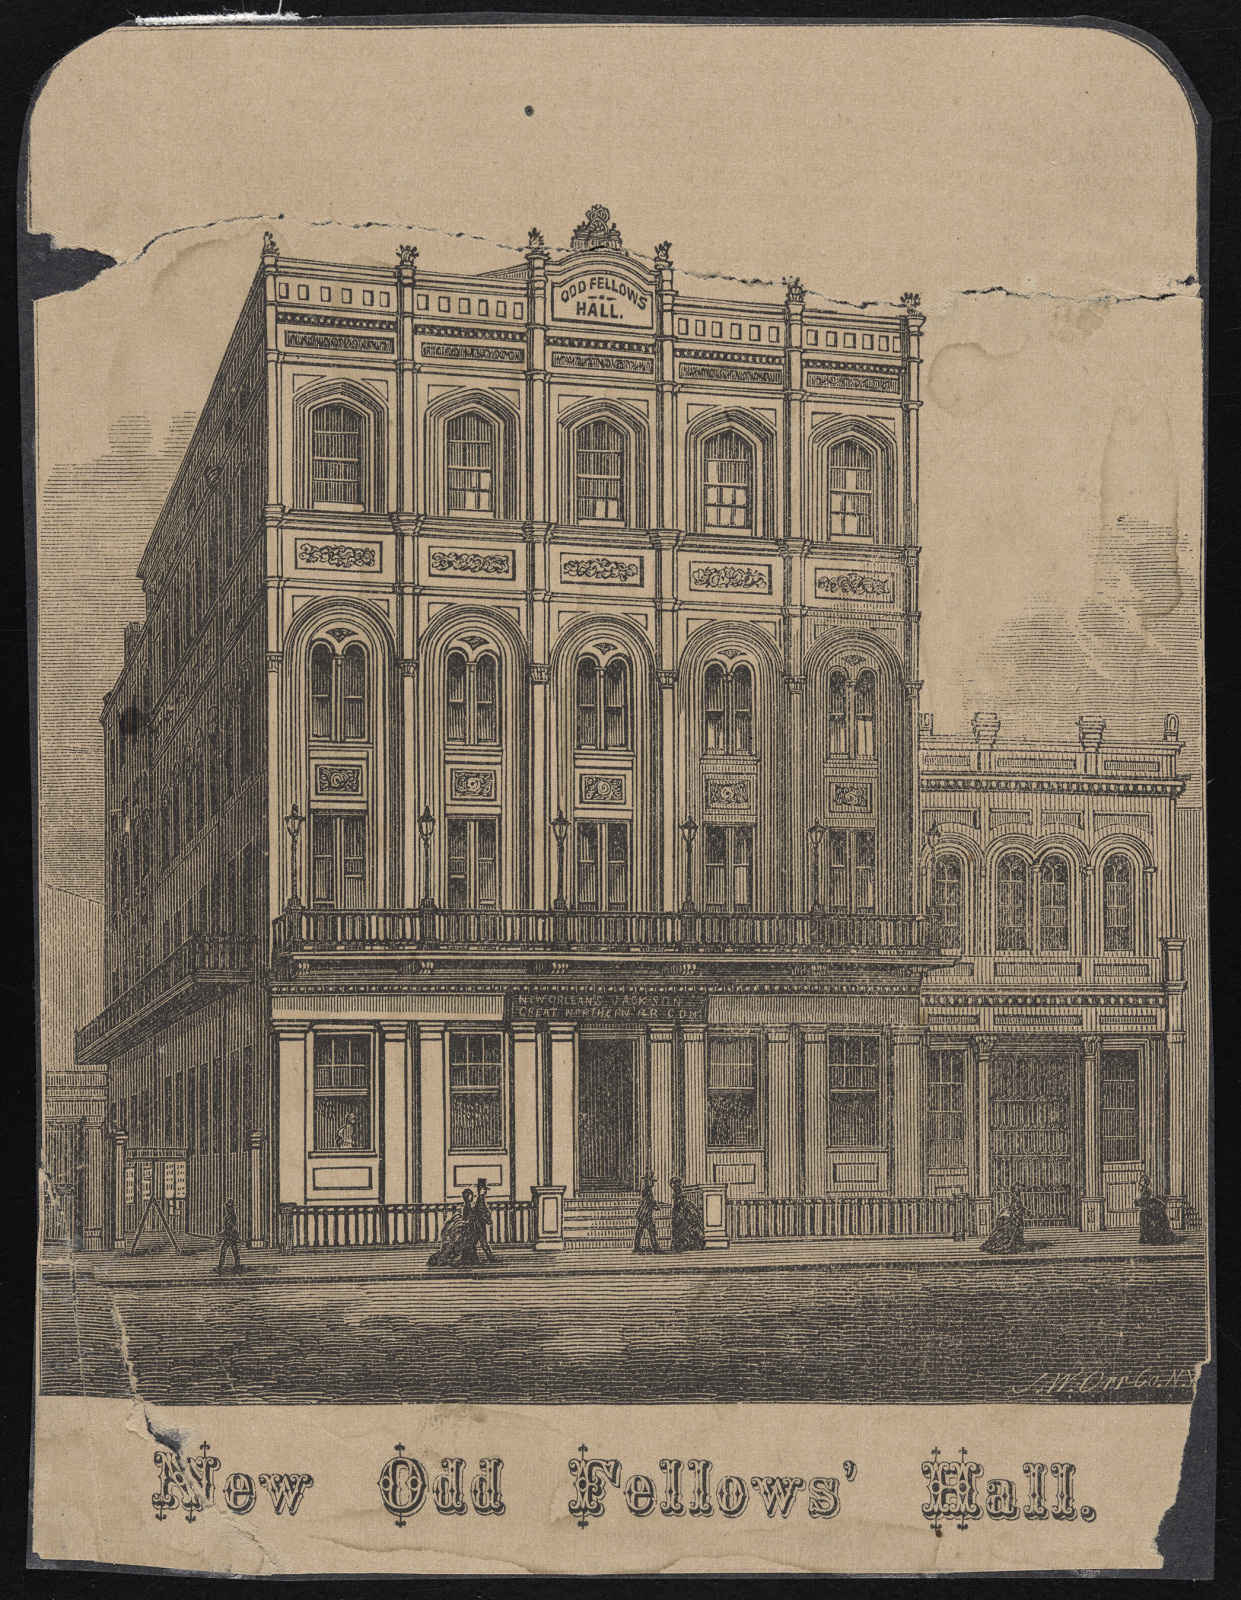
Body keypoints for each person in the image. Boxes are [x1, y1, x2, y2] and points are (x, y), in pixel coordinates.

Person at [427, 1189, 479, 1267]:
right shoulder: (466, 1206)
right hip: (467, 1228)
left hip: (470, 1227)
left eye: (471, 1195)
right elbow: (465, 1218)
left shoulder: (468, 1205)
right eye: (469, 1196)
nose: (471, 1197)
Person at [979, 1189, 1035, 1255]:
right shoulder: (1016, 1198)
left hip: (1008, 1215)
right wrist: (1028, 1213)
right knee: (1013, 1229)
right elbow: (1018, 1207)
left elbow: (1017, 1207)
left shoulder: (1013, 1197)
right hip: (1011, 1216)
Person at [1135, 1172, 1177, 1245]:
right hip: (1145, 1208)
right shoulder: (1140, 1190)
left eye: (1145, 1181)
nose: (1143, 1182)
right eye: (1142, 1181)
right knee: (1145, 1221)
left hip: (1147, 1207)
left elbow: (1147, 1199)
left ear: (1147, 1182)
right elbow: (1139, 1200)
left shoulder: (1147, 1189)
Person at [669, 1177, 706, 1252]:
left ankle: (685, 1244)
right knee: (682, 1227)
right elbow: (679, 1202)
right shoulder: (677, 1192)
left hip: (681, 1211)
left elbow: (681, 1201)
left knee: (685, 1226)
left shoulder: (678, 1191)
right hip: (680, 1211)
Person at [633, 1172, 662, 1253]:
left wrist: (655, 1205)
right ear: (647, 1181)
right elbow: (650, 1201)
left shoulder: (647, 1190)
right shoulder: (647, 1190)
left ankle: (638, 1247)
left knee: (642, 1231)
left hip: (644, 1214)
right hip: (645, 1214)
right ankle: (655, 1248)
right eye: (651, 1181)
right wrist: (656, 1206)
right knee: (651, 1231)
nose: (652, 1183)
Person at [471, 1177, 497, 1263]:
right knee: (483, 1242)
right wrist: (487, 1220)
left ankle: (489, 1257)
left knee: (482, 1242)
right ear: (480, 1190)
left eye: (485, 1189)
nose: (485, 1191)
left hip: (480, 1224)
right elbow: (480, 1213)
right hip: (479, 1225)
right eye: (483, 1189)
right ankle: (490, 1258)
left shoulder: (481, 1199)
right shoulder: (479, 1200)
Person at [215, 1197, 244, 1274]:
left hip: (230, 1236)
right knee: (229, 1250)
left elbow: (230, 1227)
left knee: (229, 1250)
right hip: (228, 1236)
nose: (227, 1208)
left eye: (229, 1207)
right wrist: (221, 1233)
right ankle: (223, 1266)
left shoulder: (233, 1216)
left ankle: (233, 1266)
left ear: (232, 1208)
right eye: (227, 1207)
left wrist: (233, 1235)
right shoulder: (228, 1215)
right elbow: (227, 1228)